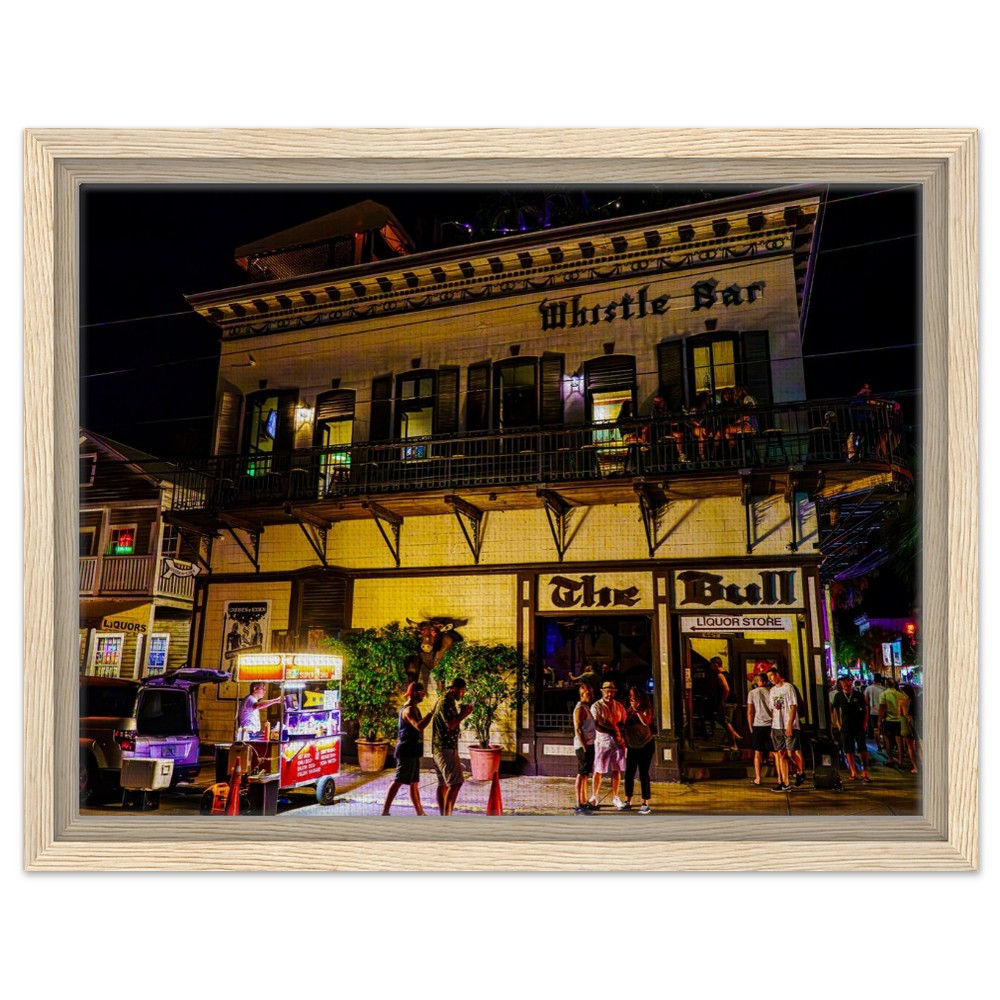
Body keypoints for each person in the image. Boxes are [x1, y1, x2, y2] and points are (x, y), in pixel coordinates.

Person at [382, 682, 434, 815]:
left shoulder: (414, 708)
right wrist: (431, 713)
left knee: (414, 782)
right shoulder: (409, 710)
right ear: (415, 693)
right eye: (421, 692)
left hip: (413, 750)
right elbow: (419, 726)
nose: (423, 695)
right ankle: (385, 811)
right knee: (398, 780)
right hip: (406, 751)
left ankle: (420, 813)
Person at [431, 676, 473, 816]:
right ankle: (447, 816)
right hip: (445, 748)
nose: (463, 694)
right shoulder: (446, 702)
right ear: (455, 689)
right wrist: (464, 714)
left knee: (442, 783)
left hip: (440, 748)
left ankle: (443, 815)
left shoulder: (444, 700)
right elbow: (450, 724)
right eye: (462, 691)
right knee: (456, 782)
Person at [591, 680, 628, 809]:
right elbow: (596, 724)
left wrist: (620, 733)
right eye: (607, 691)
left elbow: (623, 722)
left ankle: (615, 797)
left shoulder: (619, 706)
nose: (609, 694)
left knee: (616, 770)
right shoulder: (596, 706)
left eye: (612, 692)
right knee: (598, 770)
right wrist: (613, 731)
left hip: (617, 743)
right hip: (603, 742)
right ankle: (594, 796)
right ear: (602, 692)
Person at [766, 665, 800, 792]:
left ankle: (798, 772)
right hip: (776, 725)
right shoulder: (772, 691)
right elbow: (773, 709)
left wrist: (790, 724)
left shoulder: (788, 687)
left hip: (787, 723)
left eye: (772, 676)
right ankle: (784, 781)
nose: (771, 679)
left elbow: (793, 706)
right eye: (769, 677)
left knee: (790, 752)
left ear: (778, 674)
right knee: (780, 753)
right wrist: (772, 727)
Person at [831, 674, 871, 782]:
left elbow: (866, 709)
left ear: (851, 682)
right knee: (848, 750)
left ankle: (865, 771)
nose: (845, 684)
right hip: (846, 727)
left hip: (858, 726)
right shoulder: (838, 696)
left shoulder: (858, 695)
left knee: (863, 749)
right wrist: (838, 724)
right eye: (843, 682)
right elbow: (835, 710)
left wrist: (865, 724)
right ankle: (853, 771)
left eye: (847, 681)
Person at [623, 687, 656, 813]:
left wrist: (636, 711)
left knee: (643, 773)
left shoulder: (645, 710)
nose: (633, 702)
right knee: (629, 774)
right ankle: (627, 800)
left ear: (641, 699)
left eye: (635, 699)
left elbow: (645, 722)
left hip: (646, 744)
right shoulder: (628, 711)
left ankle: (645, 802)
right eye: (631, 699)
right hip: (632, 745)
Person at [572, 683, 597, 814]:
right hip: (583, 746)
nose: (591, 696)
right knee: (581, 774)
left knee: (585, 773)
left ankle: (583, 801)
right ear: (582, 695)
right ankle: (578, 804)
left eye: (592, 693)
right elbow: (578, 728)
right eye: (588, 693)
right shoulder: (580, 708)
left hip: (589, 744)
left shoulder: (586, 708)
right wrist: (584, 746)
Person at [746, 668, 773, 785]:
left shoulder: (752, 693)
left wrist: (750, 726)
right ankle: (780, 777)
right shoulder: (772, 691)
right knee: (776, 751)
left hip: (758, 724)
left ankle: (758, 777)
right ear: (766, 681)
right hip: (772, 724)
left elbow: (750, 711)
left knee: (758, 752)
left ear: (758, 681)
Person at [711, 657, 741, 750]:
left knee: (726, 721)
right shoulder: (727, 673)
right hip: (732, 701)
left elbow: (726, 688)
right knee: (723, 720)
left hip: (727, 702)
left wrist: (723, 700)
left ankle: (734, 743)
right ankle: (735, 735)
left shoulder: (720, 675)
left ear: (716, 665)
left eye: (712, 665)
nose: (711, 667)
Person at [878, 679, 904, 769]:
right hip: (899, 720)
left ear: (886, 684)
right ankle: (900, 760)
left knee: (888, 740)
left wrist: (879, 720)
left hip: (888, 720)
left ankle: (890, 759)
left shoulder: (884, 694)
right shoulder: (900, 694)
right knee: (899, 741)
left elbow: (882, 708)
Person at [899, 683, 920, 774]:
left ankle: (915, 767)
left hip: (905, 724)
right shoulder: (916, 700)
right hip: (916, 723)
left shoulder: (901, 701)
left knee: (910, 747)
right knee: (918, 745)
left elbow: (899, 714)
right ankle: (921, 764)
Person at [864, 674, 886, 754]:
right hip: (883, 712)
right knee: (883, 730)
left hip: (873, 712)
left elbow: (866, 701)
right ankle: (885, 745)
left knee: (876, 730)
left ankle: (879, 746)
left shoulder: (868, 688)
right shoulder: (884, 689)